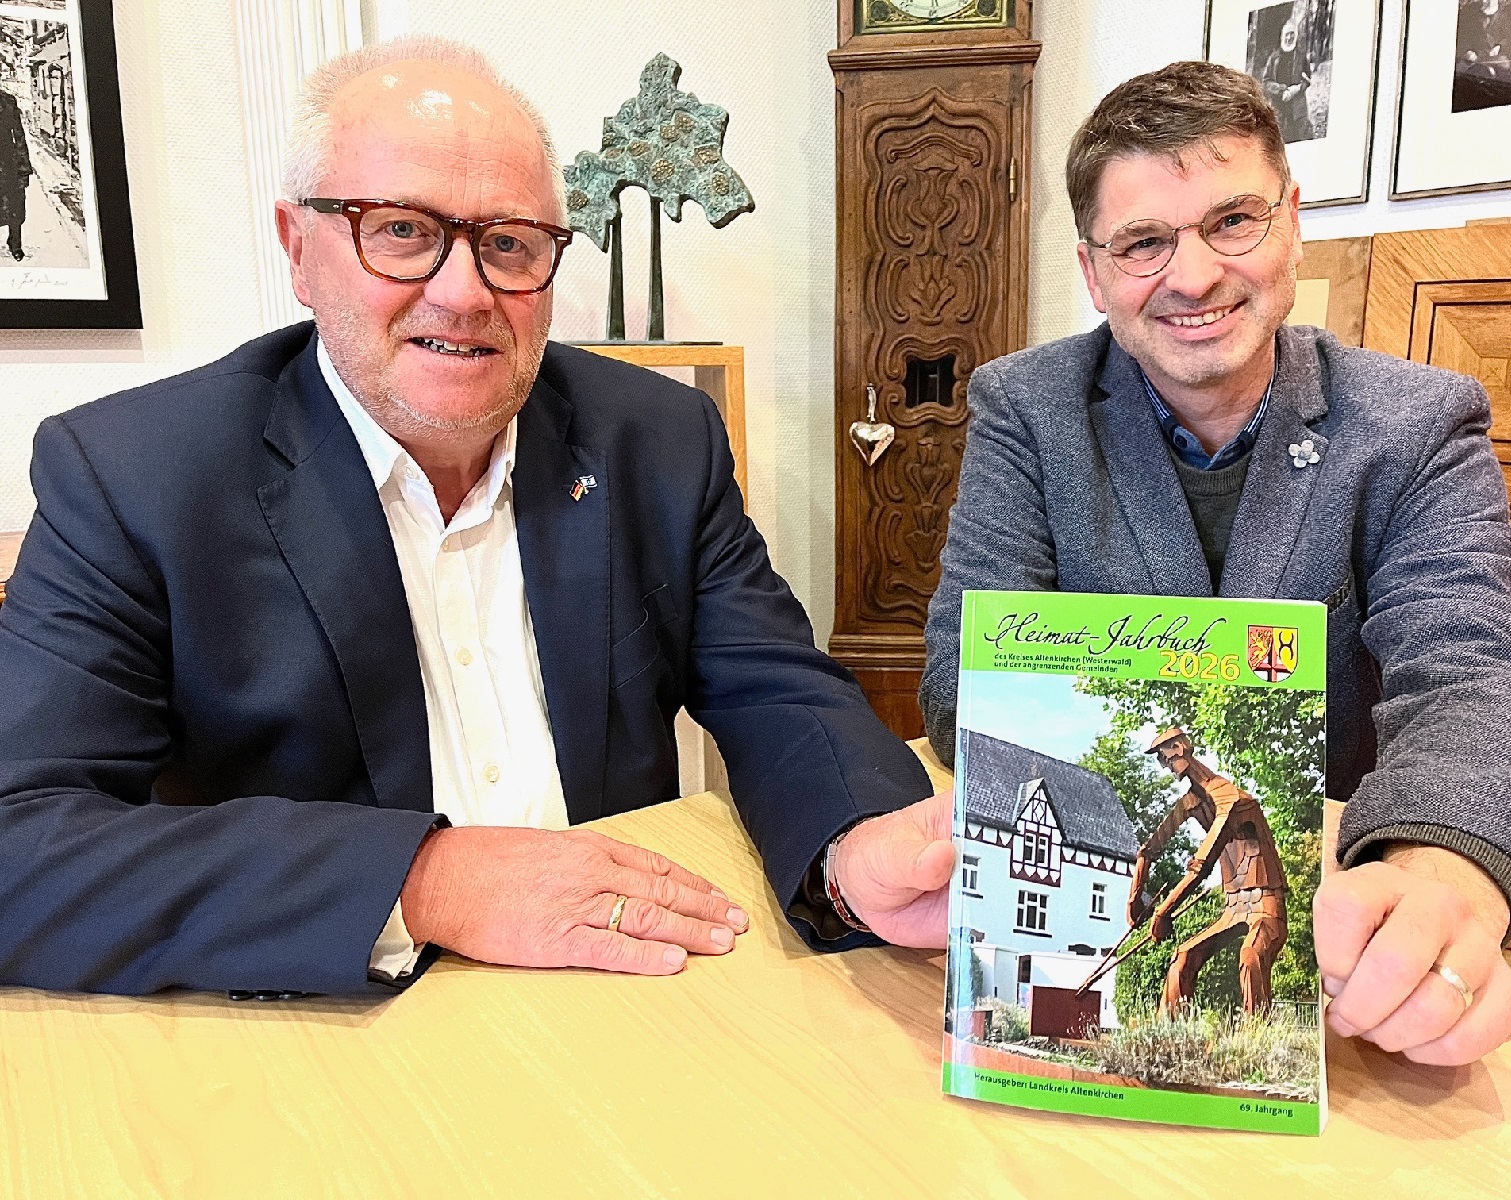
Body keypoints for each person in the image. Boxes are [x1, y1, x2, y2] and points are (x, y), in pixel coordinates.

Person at [0, 36, 938, 997]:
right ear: (297, 248)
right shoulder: (133, 475)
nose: (463, 291)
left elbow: (776, 687)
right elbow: (19, 847)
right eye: (400, 229)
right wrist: (421, 879)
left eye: (508, 243)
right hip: (324, 1022)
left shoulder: (654, 437)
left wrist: (851, 848)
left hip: (626, 990)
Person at [910, 60, 1511, 1067]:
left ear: (1289, 223)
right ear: (1094, 271)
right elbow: (963, 677)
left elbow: (1474, 664)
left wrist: (1448, 860)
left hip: (1348, 956)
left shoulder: (1415, 422)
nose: (1192, 276)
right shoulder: (1028, 410)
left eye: (1231, 220)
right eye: (1144, 242)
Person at [1133, 727, 1288, 1018]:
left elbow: (1201, 867)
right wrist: (1135, 898)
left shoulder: (1233, 801)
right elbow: (1148, 849)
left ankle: (1253, 1042)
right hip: (1233, 907)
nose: (1165, 766)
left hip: (1266, 905)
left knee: (1251, 955)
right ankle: (1169, 1035)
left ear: (1180, 748)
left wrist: (1162, 913)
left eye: (1165, 758)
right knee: (1183, 957)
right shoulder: (1192, 802)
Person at [1258, 19, 1311, 143]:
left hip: (1298, 108)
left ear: (1296, 36)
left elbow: (1308, 79)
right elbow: (1266, 82)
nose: (1289, 37)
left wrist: (1296, 89)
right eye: (1287, 34)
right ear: (1283, 36)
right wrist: (1282, 90)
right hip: (1279, 107)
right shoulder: (1274, 57)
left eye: (1292, 34)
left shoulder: (1301, 56)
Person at [0, 84, 31, 261]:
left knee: (15, 204)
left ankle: (15, 243)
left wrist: (23, 167)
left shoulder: (8, 101)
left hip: (7, 160)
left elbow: (19, 135)